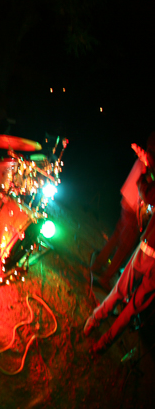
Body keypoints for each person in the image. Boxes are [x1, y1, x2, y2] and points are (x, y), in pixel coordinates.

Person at [83, 143, 155, 354]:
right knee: (133, 307)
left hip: (148, 250)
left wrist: (145, 173)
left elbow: (148, 194)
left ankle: (96, 318)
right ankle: (103, 344)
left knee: (121, 291)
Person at [90, 133, 155, 290]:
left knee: (118, 234)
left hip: (128, 197)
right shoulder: (152, 159)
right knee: (125, 246)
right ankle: (105, 279)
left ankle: (97, 266)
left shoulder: (150, 152)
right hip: (135, 205)